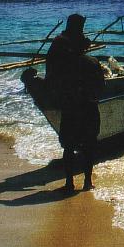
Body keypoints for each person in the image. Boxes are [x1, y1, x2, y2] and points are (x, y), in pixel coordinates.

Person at [45, 13, 104, 191]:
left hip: (70, 108)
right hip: (88, 109)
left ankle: (69, 183)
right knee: (89, 146)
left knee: (69, 147)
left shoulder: (64, 63)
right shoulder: (93, 63)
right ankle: (87, 181)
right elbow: (101, 87)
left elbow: (54, 80)